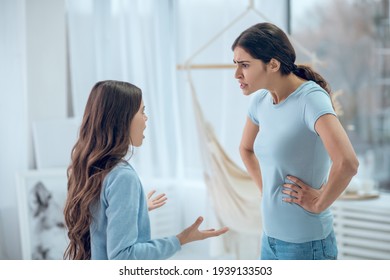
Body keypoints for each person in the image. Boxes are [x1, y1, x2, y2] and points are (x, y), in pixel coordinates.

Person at [232, 22, 359, 260]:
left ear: (273, 64)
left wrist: (320, 203)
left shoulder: (311, 99)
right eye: (236, 65)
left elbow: (347, 163)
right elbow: (245, 149)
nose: (237, 74)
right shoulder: (260, 101)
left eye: (245, 65)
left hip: (306, 245)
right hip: (269, 240)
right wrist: (265, 188)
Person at [63, 80, 228, 260]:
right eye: (142, 111)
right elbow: (123, 258)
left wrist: (133, 211)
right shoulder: (122, 177)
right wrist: (180, 240)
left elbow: (99, 227)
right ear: (122, 118)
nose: (146, 118)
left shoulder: (90, 168)